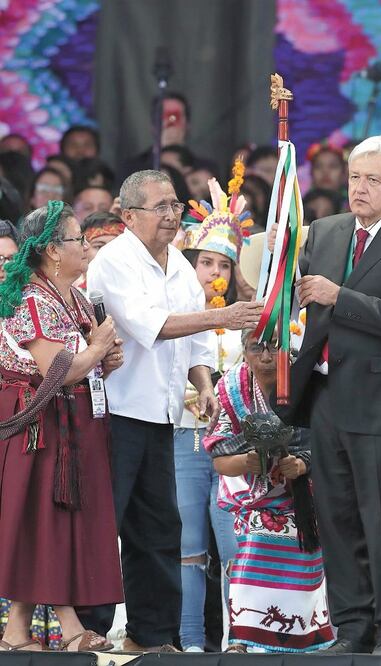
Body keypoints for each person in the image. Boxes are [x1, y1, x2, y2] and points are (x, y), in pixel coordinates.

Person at [272, 135, 381, 655]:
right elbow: (287, 295)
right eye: (354, 177)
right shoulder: (324, 232)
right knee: (339, 515)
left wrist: (338, 296)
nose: (360, 188)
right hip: (327, 396)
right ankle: (351, 626)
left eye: (373, 180)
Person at [85, 170, 264, 651]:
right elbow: (154, 325)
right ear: (128, 216)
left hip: (163, 415)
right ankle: (90, 630)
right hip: (116, 413)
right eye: (158, 207)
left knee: (159, 527)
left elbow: (198, 343)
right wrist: (225, 315)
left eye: (173, 206)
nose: (170, 215)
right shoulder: (114, 260)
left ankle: (153, 635)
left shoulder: (180, 267)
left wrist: (204, 385)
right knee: (106, 524)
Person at [0, 201, 123, 652]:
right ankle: (66, 630)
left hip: (71, 423)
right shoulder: (30, 298)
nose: (86, 247)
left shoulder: (72, 295)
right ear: (53, 250)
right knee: (41, 521)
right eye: (77, 239)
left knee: (54, 522)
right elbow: (58, 369)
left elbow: (84, 366)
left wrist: (104, 359)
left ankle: (19, 632)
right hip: (38, 427)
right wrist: (97, 350)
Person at [205, 330, 335, 653]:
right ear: (244, 352)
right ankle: (243, 638)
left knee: (300, 533)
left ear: (286, 349)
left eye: (273, 347)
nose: (265, 356)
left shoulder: (303, 380)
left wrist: (301, 466)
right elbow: (220, 459)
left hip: (300, 497)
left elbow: (327, 442)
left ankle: (308, 638)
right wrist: (247, 462)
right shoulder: (230, 387)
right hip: (248, 497)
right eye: (256, 348)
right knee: (253, 533)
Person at [174, 172, 250, 652]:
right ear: (190, 263)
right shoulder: (173, 315)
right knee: (187, 550)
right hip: (183, 439)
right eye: (205, 262)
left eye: (224, 265)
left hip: (233, 449)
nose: (213, 274)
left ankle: (236, 640)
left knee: (233, 550)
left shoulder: (245, 324)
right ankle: (190, 643)